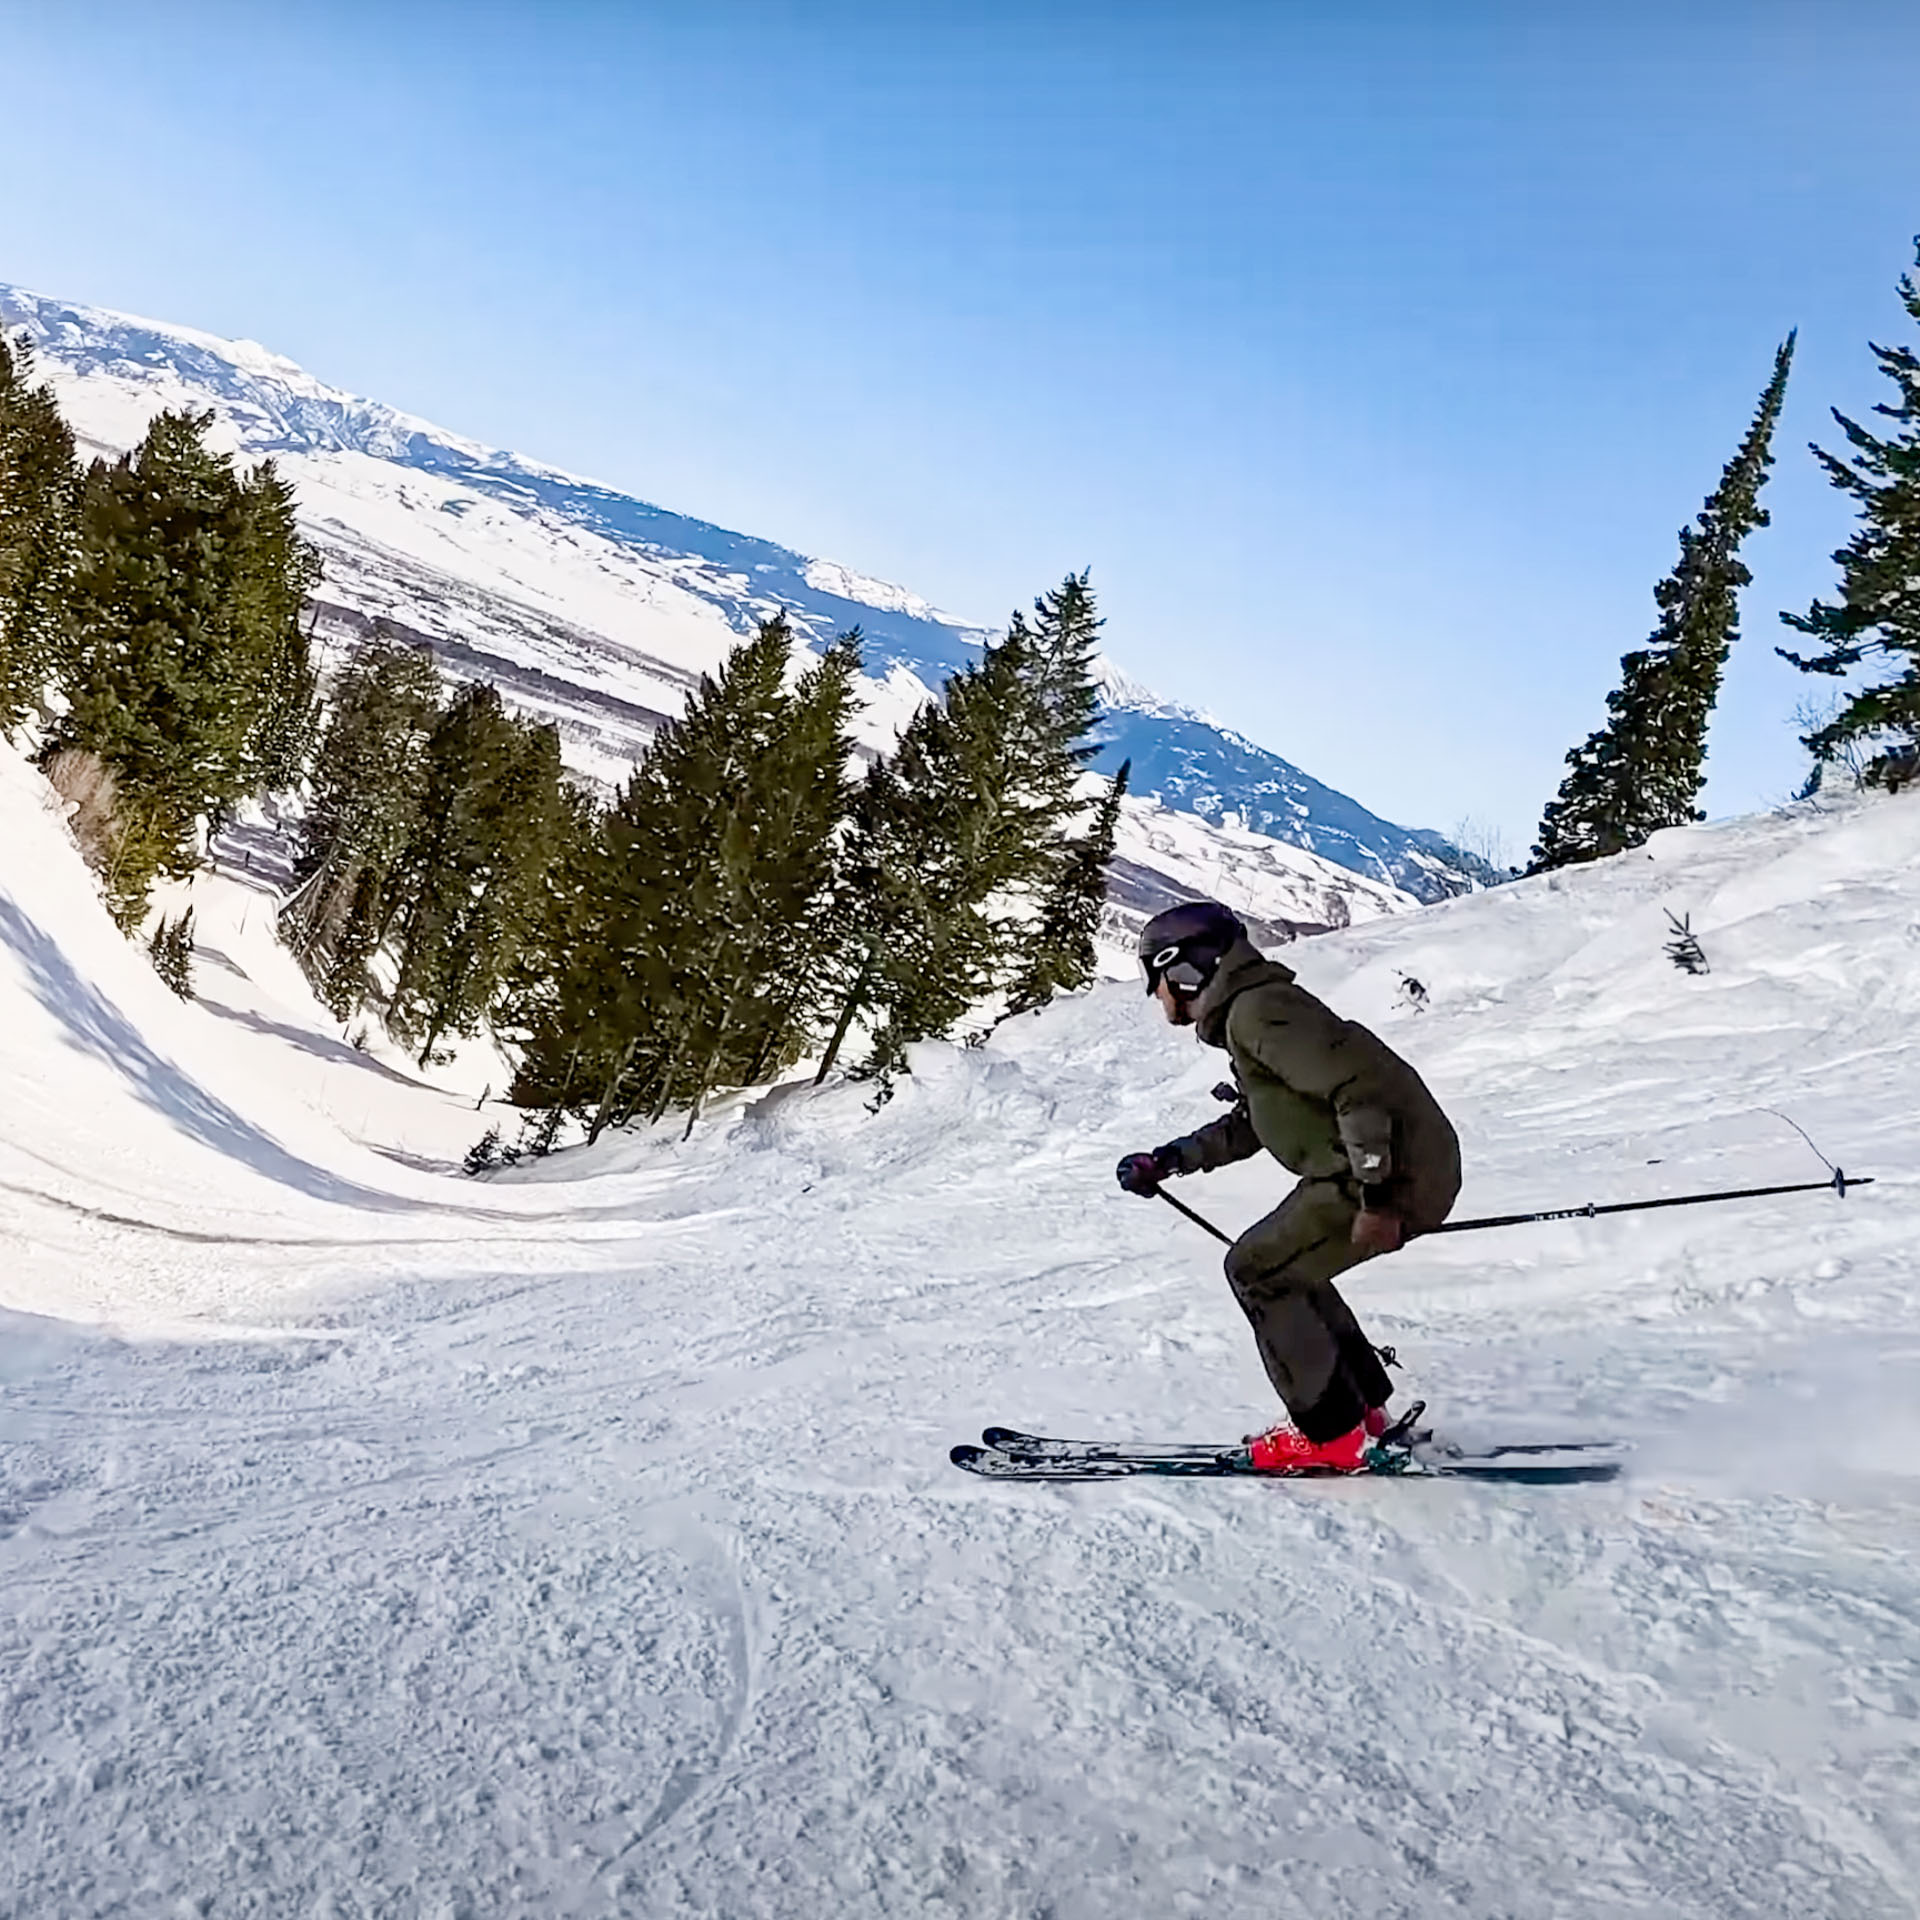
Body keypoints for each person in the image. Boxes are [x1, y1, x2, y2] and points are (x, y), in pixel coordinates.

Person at [1116, 900, 1461, 1472]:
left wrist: (1378, 1199)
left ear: (1184, 969)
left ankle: (1331, 1434)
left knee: (1258, 1271)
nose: (1156, 993)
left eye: (1156, 977)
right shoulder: (1253, 1012)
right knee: (1290, 1269)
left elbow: (1359, 1092)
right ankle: (1361, 1414)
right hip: (1377, 1168)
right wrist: (1171, 1159)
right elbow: (1256, 1120)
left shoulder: (1259, 1014)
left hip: (1388, 1174)